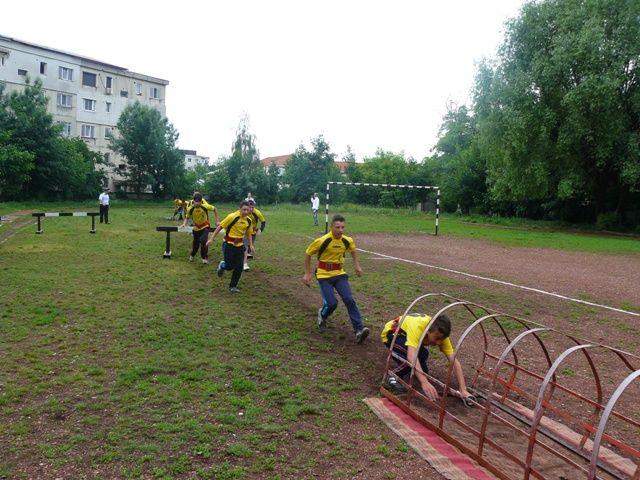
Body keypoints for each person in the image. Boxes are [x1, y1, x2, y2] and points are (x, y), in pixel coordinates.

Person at [302, 214, 369, 343]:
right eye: (337, 227)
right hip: (323, 275)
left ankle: (359, 330)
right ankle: (322, 315)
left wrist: (357, 266)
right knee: (332, 303)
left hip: (339, 274)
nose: (341, 230)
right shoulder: (323, 240)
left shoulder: (347, 240)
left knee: (349, 299)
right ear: (331, 227)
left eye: (343, 227)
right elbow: (308, 253)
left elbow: (353, 250)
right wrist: (307, 273)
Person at [380, 313, 474, 404]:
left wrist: (463, 389)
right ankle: (393, 376)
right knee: (412, 358)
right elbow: (411, 356)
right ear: (428, 330)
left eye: (441, 339)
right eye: (437, 338)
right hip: (393, 334)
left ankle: (412, 370)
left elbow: (454, 361)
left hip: (407, 337)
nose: (439, 343)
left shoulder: (441, 335)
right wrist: (424, 381)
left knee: (423, 355)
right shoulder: (418, 326)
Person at [207, 201, 254, 293]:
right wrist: (211, 238)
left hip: (240, 246)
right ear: (240, 209)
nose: (246, 212)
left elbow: (249, 233)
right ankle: (222, 265)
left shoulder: (249, 220)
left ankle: (233, 286)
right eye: (244, 209)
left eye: (247, 210)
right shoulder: (232, 216)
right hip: (229, 244)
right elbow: (220, 227)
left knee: (239, 266)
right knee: (229, 266)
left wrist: (251, 245)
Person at [181, 192, 219, 264]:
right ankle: (192, 255)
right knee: (196, 245)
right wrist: (184, 224)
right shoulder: (190, 208)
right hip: (196, 228)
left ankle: (204, 257)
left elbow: (215, 209)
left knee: (203, 241)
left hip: (205, 226)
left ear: (201, 201)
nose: (197, 204)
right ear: (193, 201)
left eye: (199, 202)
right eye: (196, 202)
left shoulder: (205, 206)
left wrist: (217, 220)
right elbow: (187, 217)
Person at [243, 199, 266, 271]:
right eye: (250, 207)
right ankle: (244, 264)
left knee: (250, 246)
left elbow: (263, 222)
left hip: (253, 231)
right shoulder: (244, 211)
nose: (251, 209)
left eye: (253, 207)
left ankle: (243, 257)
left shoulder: (257, 213)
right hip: (244, 231)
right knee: (245, 246)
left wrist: (260, 230)